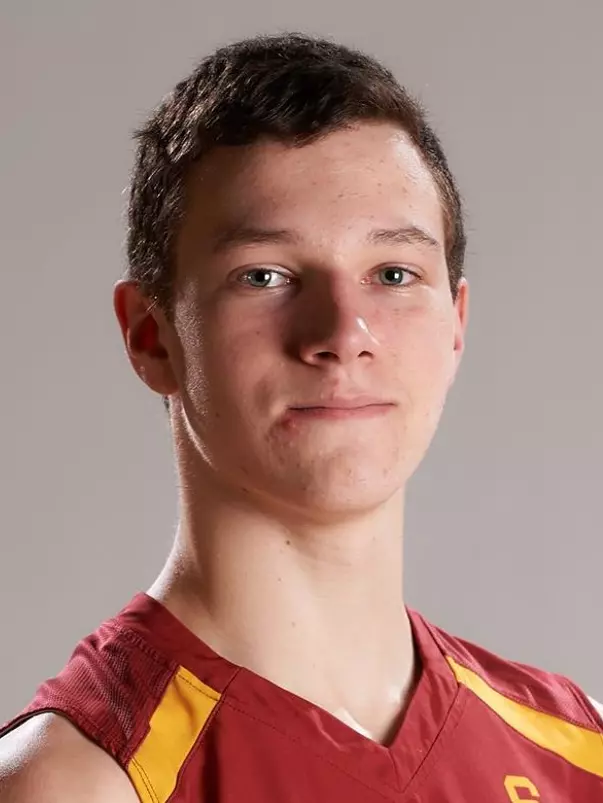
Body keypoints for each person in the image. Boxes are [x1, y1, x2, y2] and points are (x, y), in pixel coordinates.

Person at [1, 32, 601, 803]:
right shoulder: (80, 783)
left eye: (393, 272)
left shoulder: (576, 752)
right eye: (264, 275)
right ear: (151, 336)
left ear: (455, 325)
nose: (342, 332)